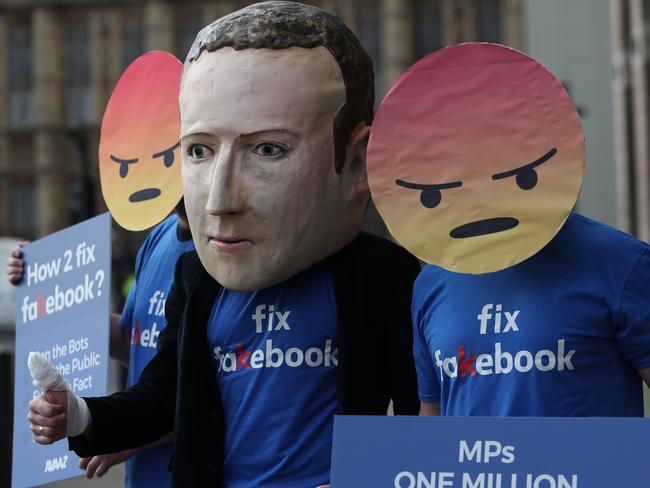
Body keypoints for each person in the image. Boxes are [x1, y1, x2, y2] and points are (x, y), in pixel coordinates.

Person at [27, 2, 420, 487]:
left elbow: (421, 415)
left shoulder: (388, 279)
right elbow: (162, 394)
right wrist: (82, 417)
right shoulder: (195, 277)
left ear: (358, 163)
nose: (219, 200)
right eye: (198, 151)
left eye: (268, 149)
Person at [13, 203, 193, 486]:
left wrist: (129, 434)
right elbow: (130, 341)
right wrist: (47, 284)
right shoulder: (160, 235)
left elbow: (228, 393)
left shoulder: (229, 248)